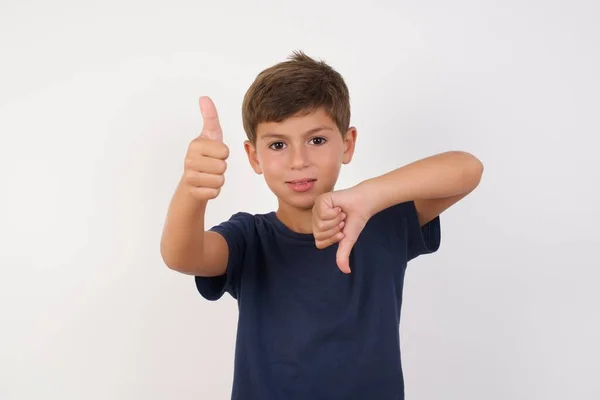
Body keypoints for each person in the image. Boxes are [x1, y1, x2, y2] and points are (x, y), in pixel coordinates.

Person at [160, 51, 484, 399]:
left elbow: (467, 170)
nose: (299, 161)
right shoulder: (248, 239)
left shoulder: (381, 222)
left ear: (347, 143)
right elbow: (182, 255)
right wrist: (192, 190)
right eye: (278, 144)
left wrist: (369, 195)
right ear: (254, 156)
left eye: (317, 140)